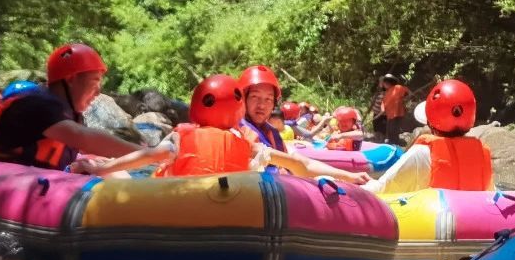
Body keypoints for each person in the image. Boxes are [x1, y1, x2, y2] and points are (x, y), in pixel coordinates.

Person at [94, 75, 367, 182]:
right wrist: (346, 175)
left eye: (267, 100)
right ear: (241, 105)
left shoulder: (181, 135)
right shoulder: (247, 142)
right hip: (231, 211)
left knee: (120, 178)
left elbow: (146, 156)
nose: (262, 106)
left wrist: (101, 169)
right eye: (255, 99)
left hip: (173, 204)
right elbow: (300, 164)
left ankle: (95, 168)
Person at [0, 43, 169, 172]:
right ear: (71, 79)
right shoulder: (36, 105)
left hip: (29, 181)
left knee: (99, 166)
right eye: (95, 80)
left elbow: (80, 147)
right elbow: (84, 138)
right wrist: (151, 153)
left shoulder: (65, 111)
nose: (99, 91)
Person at [362, 79, 494, 194]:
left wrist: (361, 187)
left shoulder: (422, 153)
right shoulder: (482, 153)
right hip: (476, 220)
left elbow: (383, 189)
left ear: (430, 120)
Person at [238, 64, 288, 151]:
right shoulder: (236, 132)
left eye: (268, 99)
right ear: (243, 98)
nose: (262, 105)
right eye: (255, 96)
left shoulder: (273, 133)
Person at [370, 73, 410, 146]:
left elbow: (408, 93)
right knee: (390, 131)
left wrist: (405, 99)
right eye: (383, 82)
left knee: (393, 130)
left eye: (385, 82)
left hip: (394, 114)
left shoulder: (396, 89)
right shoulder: (385, 94)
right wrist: (376, 116)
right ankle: (391, 143)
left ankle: (394, 143)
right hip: (389, 115)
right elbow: (382, 110)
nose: (384, 83)